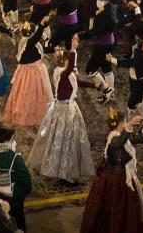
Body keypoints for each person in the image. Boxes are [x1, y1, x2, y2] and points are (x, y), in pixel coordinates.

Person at [29, 38, 95, 186]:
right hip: (64, 111)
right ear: (64, 62)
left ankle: (66, 171)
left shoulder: (65, 73)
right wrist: (72, 49)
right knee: (66, 141)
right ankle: (64, 174)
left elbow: (77, 81)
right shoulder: (61, 73)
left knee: (68, 141)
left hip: (69, 108)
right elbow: (71, 68)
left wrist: (94, 85)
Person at [81, 110, 143, 233]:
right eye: (125, 122)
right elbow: (118, 143)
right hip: (116, 181)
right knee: (117, 211)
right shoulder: (113, 137)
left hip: (117, 178)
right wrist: (129, 125)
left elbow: (132, 139)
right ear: (121, 124)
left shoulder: (119, 135)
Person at [4, 22, 53, 127]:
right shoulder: (28, 42)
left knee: (30, 95)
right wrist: (42, 24)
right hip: (32, 73)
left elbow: (41, 49)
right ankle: (33, 117)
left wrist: (55, 49)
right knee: (34, 94)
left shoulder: (28, 42)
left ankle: (34, 116)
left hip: (31, 71)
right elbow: (36, 38)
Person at [0, 128, 31, 233]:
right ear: (10, 139)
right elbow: (26, 183)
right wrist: (15, 198)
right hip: (13, 204)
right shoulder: (15, 158)